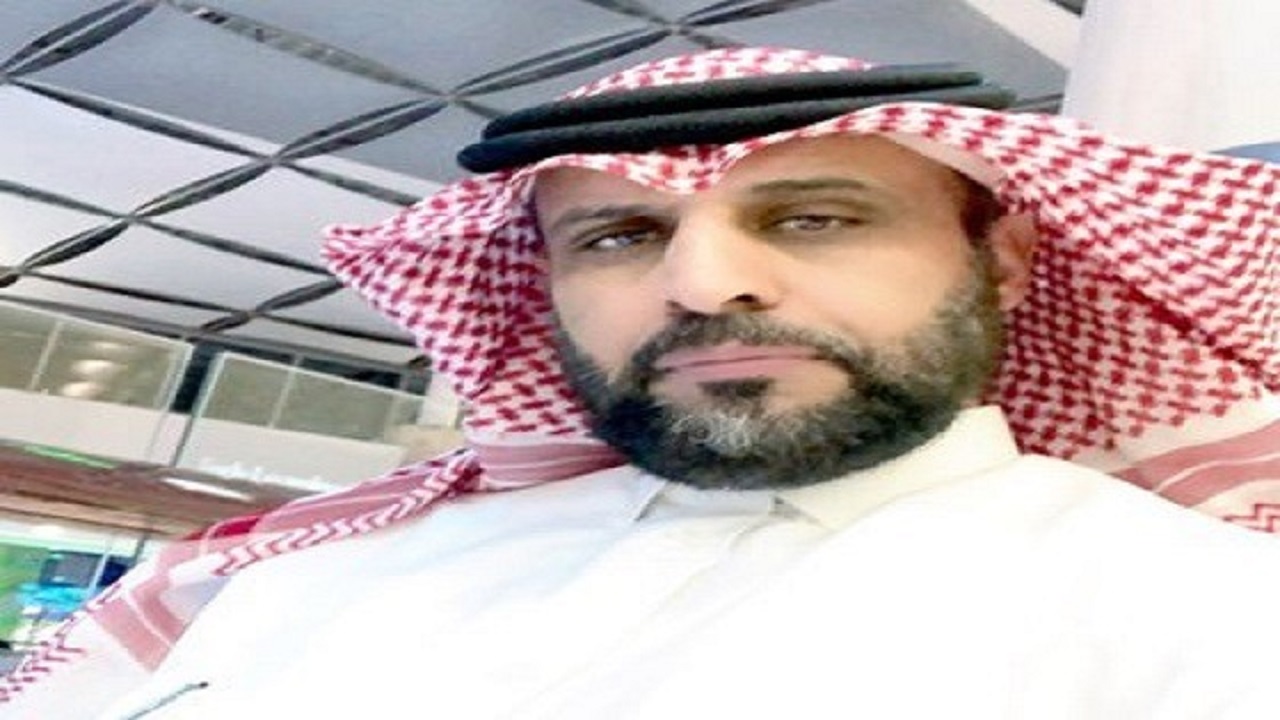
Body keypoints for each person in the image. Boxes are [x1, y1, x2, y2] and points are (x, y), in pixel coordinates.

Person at [4, 47, 1279, 718]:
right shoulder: (310, 579)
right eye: (617, 236)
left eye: (813, 218)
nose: (702, 284)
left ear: (1001, 259)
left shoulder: (1212, 623)